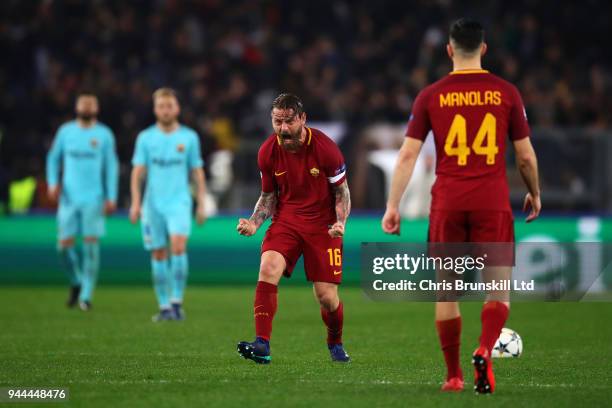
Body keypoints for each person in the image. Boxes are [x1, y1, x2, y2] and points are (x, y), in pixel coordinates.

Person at [382, 19, 541, 393]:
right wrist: (534, 191)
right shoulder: (506, 92)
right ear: (483, 49)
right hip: (491, 200)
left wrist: (393, 205)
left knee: (447, 291)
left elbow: (407, 155)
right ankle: (485, 350)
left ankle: (453, 377)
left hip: (448, 202)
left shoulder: (431, 95)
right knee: (498, 291)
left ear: (449, 50)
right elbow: (525, 158)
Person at [236, 93, 351, 364]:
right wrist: (254, 222)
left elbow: (341, 192)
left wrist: (340, 223)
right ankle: (262, 345)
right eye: (277, 121)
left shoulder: (326, 148)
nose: (283, 128)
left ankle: (335, 340)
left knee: (326, 297)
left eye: (289, 121)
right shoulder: (267, 151)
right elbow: (268, 197)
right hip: (286, 222)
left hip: (322, 227)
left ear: (302, 119)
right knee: (268, 268)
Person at [129, 88, 207, 322]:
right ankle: (163, 306)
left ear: (177, 108)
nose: (165, 110)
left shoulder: (189, 137)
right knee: (159, 253)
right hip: (152, 205)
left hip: (179, 202)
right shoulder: (145, 138)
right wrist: (135, 203)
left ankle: (176, 302)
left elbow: (197, 172)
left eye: (169, 106)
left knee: (179, 247)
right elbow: (138, 173)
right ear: (155, 110)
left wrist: (201, 203)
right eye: (161, 106)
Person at [46, 92, 118, 310]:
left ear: (96, 109)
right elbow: (53, 158)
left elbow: (111, 167)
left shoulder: (104, 134)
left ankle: (86, 296)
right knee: (63, 247)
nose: (87, 108)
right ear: (76, 107)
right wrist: (52, 183)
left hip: (93, 199)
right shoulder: (66, 132)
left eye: (91, 104)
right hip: (68, 198)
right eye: (83, 104)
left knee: (90, 247)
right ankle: (76, 280)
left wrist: (111, 196)